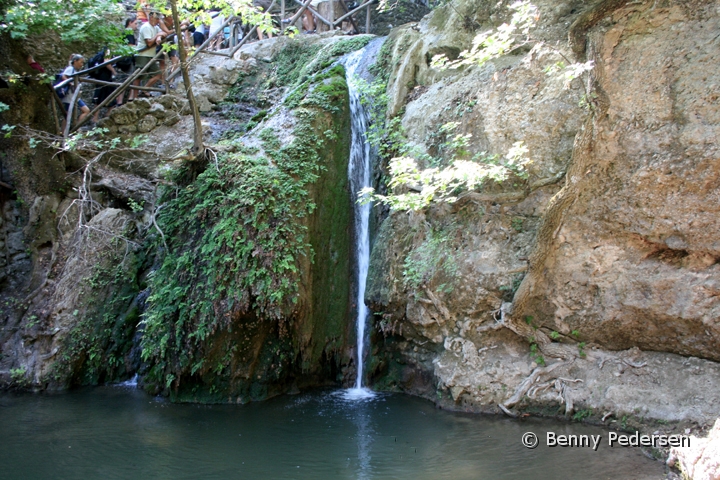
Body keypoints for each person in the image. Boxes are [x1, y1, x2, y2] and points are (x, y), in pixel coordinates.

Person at [136, 12, 166, 92]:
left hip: (151, 55)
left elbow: (164, 33)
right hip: (142, 54)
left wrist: (159, 36)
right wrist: (157, 35)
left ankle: (144, 90)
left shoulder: (155, 28)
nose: (158, 21)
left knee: (158, 74)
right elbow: (149, 43)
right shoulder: (146, 27)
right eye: (156, 18)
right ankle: (133, 96)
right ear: (151, 17)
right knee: (138, 76)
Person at [90, 48, 118, 123]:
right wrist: (113, 71)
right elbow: (107, 62)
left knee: (108, 94)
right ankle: (97, 118)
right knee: (104, 95)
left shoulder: (104, 51)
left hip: (102, 77)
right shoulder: (108, 51)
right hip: (105, 77)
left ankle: (105, 115)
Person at [61, 54, 90, 125]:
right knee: (67, 116)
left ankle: (77, 128)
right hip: (69, 96)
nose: (82, 64)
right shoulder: (70, 69)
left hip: (75, 96)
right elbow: (64, 76)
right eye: (81, 62)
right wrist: (72, 85)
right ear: (75, 61)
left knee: (86, 110)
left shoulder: (73, 69)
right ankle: (64, 133)